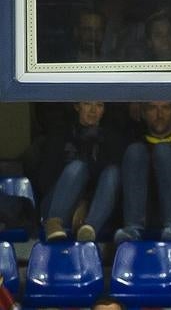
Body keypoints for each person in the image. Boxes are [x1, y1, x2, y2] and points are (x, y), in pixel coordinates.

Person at [114, 102, 171, 243]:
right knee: (136, 151)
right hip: (147, 211)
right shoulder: (133, 145)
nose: (159, 114)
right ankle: (132, 229)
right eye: (152, 108)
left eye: (165, 108)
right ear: (143, 114)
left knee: (164, 150)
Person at [39, 102, 124, 241]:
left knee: (113, 172)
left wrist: (86, 202)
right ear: (77, 106)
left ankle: (89, 229)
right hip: (56, 203)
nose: (93, 110)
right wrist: (78, 201)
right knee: (78, 167)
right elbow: (45, 179)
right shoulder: (61, 132)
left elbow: (108, 185)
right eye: (87, 104)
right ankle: (54, 223)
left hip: (94, 209)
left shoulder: (111, 137)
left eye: (99, 105)